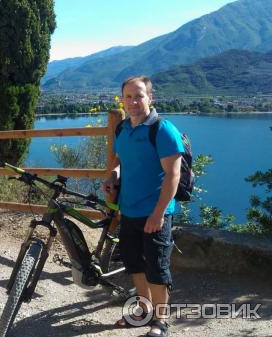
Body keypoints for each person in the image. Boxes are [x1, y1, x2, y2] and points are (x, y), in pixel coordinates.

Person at [102, 76, 184, 337]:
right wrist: (113, 174)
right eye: (128, 97)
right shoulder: (123, 128)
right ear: (122, 100)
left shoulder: (162, 129)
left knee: (157, 269)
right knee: (134, 264)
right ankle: (143, 309)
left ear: (150, 98)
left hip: (155, 213)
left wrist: (158, 214)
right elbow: (119, 159)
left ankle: (160, 322)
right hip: (129, 209)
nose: (133, 101)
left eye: (139, 96)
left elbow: (173, 175)